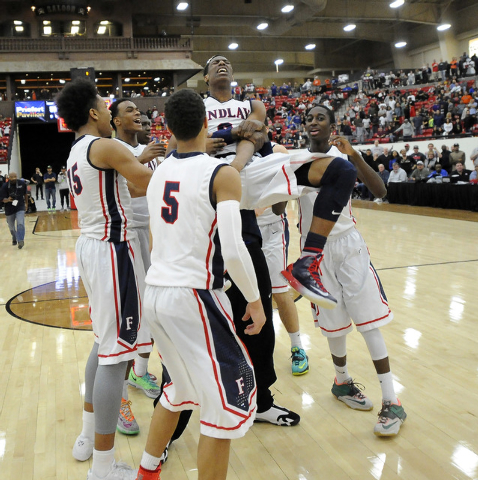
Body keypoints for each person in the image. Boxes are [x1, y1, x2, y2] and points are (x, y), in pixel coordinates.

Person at [134, 88, 266, 480]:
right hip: (195, 296)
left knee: (177, 391)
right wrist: (255, 301)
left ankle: (146, 472)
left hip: (156, 292)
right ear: (206, 122)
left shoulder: (156, 175)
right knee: (224, 407)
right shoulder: (220, 172)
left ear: (169, 128)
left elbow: (158, 241)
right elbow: (233, 246)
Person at [56, 78, 153, 480]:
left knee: (102, 345)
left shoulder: (76, 151)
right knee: (117, 358)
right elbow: (147, 184)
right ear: (94, 113)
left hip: (93, 248)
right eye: (104, 102)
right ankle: (103, 466)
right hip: (114, 251)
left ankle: (84, 436)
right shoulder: (106, 146)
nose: (110, 108)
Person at [297, 105, 406, 436]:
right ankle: (341, 382)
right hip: (315, 253)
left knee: (369, 322)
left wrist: (355, 155)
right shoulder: (296, 161)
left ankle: (391, 400)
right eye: (309, 118)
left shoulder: (341, 158)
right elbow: (277, 204)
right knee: (333, 324)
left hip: (348, 247)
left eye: (320, 117)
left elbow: (381, 191)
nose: (314, 122)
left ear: (332, 126)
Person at [256, 145, 309, 376]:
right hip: (242, 228)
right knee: (244, 293)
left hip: (272, 229)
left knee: (279, 291)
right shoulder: (235, 152)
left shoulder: (278, 151)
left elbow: (287, 189)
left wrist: (263, 205)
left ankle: (297, 346)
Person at [0, 171, 28, 249]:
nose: (14, 178)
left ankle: (21, 240)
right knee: (11, 228)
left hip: (20, 206)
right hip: (9, 209)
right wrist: (7, 199)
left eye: (15, 177)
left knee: (20, 224)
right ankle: (14, 237)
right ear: (9, 177)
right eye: (12, 177)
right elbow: (1, 199)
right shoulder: (5, 186)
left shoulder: (22, 183)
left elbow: (25, 194)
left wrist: (26, 204)